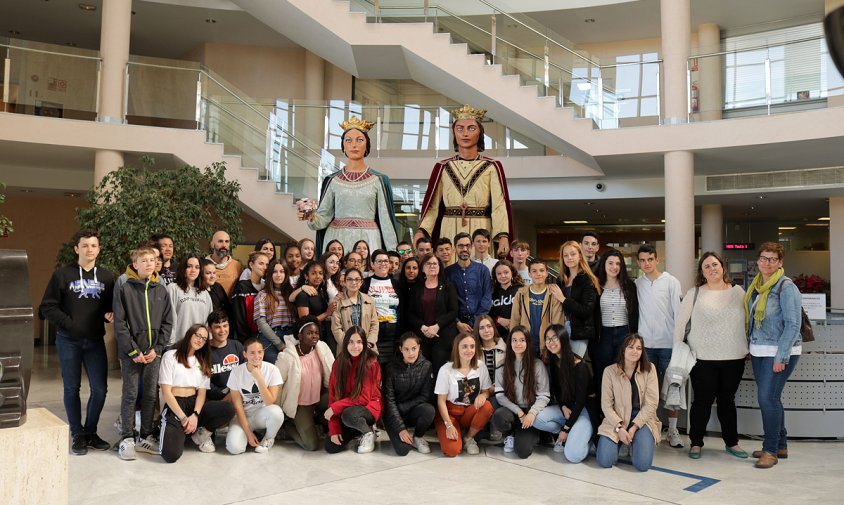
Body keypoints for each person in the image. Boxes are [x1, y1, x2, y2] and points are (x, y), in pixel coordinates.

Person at [39, 228, 115, 455]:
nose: (89, 249)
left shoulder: (107, 277)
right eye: (85, 245)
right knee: (72, 388)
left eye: (93, 245)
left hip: (94, 340)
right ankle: (77, 433)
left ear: (98, 249)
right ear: (76, 249)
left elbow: (108, 306)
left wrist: (108, 313)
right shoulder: (62, 275)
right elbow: (48, 306)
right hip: (68, 340)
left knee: (100, 389)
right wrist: (70, 323)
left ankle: (90, 431)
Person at [673, 251, 749, 460]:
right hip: (703, 359)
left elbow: (747, 322)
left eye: (715, 264)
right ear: (701, 272)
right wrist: (677, 351)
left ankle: (732, 443)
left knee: (727, 401)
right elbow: (680, 325)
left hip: (734, 358)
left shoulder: (738, 292)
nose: (712, 268)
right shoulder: (694, 293)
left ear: (723, 266)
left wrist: (748, 346)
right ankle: (696, 443)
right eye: (707, 266)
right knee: (702, 402)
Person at [416, 104, 514, 258]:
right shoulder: (443, 167)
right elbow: (433, 206)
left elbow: (499, 206)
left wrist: (503, 236)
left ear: (480, 133)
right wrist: (422, 231)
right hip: (449, 227)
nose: (465, 134)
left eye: (471, 128)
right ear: (454, 133)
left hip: (481, 228)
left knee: (480, 271)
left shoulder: (491, 166)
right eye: (460, 129)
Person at [301, 116, 398, 254]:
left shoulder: (379, 180)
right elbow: (323, 218)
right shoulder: (332, 180)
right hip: (337, 240)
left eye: (359, 140)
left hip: (368, 240)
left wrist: (393, 252)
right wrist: (311, 215)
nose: (354, 145)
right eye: (348, 140)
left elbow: (386, 220)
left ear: (367, 145)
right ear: (343, 146)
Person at [745, 242, 802, 469]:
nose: (767, 263)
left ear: (780, 263)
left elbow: (793, 324)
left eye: (772, 259)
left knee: (767, 399)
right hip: (759, 350)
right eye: (763, 258)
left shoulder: (786, 287)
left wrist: (781, 356)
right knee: (772, 398)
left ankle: (770, 451)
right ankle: (780, 445)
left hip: (779, 351)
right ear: (758, 261)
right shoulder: (757, 285)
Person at [114, 246, 173, 461]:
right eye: (144, 260)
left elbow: (168, 321)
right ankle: (127, 436)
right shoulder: (125, 288)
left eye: (152, 259)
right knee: (130, 394)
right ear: (135, 264)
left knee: (149, 394)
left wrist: (156, 349)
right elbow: (120, 324)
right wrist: (133, 350)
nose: (149, 263)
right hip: (131, 353)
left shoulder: (161, 289)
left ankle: (146, 434)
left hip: (153, 353)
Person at [158, 324, 235, 462]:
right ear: (190, 334)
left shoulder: (202, 361)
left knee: (227, 408)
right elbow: (166, 392)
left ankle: (199, 434)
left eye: (204, 339)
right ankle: (176, 432)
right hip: (176, 405)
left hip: (194, 404)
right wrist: (183, 418)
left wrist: (195, 415)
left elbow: (201, 393)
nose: (200, 340)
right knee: (170, 455)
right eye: (197, 335)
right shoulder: (170, 356)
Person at [635, 244, 683, 448]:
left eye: (650, 259)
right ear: (638, 262)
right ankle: (652, 429)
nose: (646, 263)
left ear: (657, 259)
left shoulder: (671, 282)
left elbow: (679, 314)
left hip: (668, 345)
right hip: (645, 346)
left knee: (672, 389)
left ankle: (672, 430)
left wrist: (678, 342)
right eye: (642, 260)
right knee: (646, 390)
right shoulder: (637, 284)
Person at [596, 333, 661, 472]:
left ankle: (635, 440)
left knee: (642, 465)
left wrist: (633, 427)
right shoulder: (609, 371)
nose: (635, 351)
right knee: (604, 461)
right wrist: (619, 429)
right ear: (623, 349)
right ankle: (624, 441)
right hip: (617, 421)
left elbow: (651, 404)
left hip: (641, 421)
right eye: (631, 347)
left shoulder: (650, 369)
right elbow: (606, 406)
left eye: (639, 348)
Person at [277, 316, 336, 451]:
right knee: (311, 446)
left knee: (337, 397)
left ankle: (318, 421)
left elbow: (333, 372)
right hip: (301, 404)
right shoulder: (287, 356)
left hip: (319, 397)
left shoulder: (322, 348)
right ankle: (288, 426)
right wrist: (278, 410)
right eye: (309, 333)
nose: (314, 336)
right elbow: (278, 384)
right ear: (300, 336)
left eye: (316, 333)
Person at [492, 326, 550, 459]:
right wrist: (519, 412)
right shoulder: (502, 365)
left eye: (522, 340)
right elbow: (500, 396)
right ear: (510, 342)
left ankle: (536, 434)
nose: (518, 344)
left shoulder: (537, 365)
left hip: (530, 412)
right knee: (499, 416)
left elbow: (544, 396)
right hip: (513, 410)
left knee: (523, 452)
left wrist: (532, 413)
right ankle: (510, 434)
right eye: (514, 340)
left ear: (528, 342)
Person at [539, 324, 595, 463]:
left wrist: (566, 428)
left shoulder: (579, 366)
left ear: (563, 339)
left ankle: (588, 440)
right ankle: (570, 433)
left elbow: (581, 402)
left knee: (573, 456)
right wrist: (563, 406)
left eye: (554, 338)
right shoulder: (554, 360)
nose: (551, 342)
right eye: (548, 339)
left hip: (584, 411)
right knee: (537, 418)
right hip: (568, 410)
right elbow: (558, 390)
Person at [434, 332, 494, 456]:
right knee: (452, 451)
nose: (469, 350)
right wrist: (448, 425)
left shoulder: (480, 366)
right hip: (450, 413)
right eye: (464, 346)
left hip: (469, 412)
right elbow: (441, 401)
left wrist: (483, 395)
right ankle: (453, 432)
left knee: (487, 406)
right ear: (457, 348)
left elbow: (486, 391)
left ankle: (468, 438)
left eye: (472, 346)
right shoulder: (446, 369)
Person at [324, 326, 383, 454]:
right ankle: (357, 430)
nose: (355, 346)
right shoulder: (339, 362)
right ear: (345, 343)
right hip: (347, 407)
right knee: (331, 446)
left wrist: (335, 408)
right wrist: (334, 429)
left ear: (364, 343)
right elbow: (333, 396)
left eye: (359, 342)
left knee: (349, 415)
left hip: (369, 407)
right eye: (351, 342)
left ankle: (368, 432)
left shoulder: (371, 363)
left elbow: (364, 398)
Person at [225, 338, 285, 454]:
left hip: (261, 415)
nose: (257, 356)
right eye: (252, 353)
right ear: (245, 354)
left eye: (260, 352)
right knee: (235, 449)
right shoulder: (236, 373)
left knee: (276, 412)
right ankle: (249, 435)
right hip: (243, 416)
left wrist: (259, 378)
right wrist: (248, 432)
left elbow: (269, 402)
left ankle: (268, 438)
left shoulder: (272, 370)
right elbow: (238, 406)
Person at [383, 332, 436, 456]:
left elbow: (425, 396)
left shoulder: (427, 366)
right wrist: (400, 428)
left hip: (411, 411)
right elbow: (388, 401)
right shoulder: (390, 368)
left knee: (429, 410)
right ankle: (401, 431)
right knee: (403, 450)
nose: (411, 353)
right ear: (401, 349)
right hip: (393, 414)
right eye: (406, 349)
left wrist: (403, 407)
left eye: (414, 348)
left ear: (419, 348)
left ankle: (418, 437)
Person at [595, 249, 639, 394]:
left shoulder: (629, 286)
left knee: (624, 373)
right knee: (603, 373)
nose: (614, 267)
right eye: (611, 263)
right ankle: (604, 412)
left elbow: (635, 313)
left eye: (618, 264)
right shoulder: (596, 286)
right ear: (604, 265)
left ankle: (623, 411)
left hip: (624, 334)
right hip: (603, 335)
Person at [407, 254, 459, 374]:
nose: (432, 266)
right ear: (422, 268)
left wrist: (437, 326)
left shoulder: (448, 286)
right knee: (423, 374)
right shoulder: (417, 288)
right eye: (428, 264)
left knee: (440, 373)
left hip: (443, 337)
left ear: (440, 267)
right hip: (422, 337)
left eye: (435, 263)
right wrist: (423, 327)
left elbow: (453, 311)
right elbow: (410, 313)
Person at [554, 241, 600, 359]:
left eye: (573, 254)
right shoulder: (561, 280)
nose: (569, 258)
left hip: (579, 330)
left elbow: (586, 311)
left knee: (573, 366)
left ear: (580, 256)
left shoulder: (587, 280)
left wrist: (563, 299)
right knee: (561, 367)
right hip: (560, 327)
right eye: (566, 255)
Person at [510, 259, 564, 355]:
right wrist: (515, 343)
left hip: (547, 345)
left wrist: (552, 345)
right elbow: (515, 320)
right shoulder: (521, 293)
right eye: (534, 271)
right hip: (526, 344)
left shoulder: (553, 293)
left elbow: (557, 323)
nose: (538, 274)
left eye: (542, 270)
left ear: (547, 273)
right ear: (529, 274)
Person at [445, 232, 493, 335]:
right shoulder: (447, 272)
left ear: (472, 247)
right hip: (455, 327)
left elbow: (487, 299)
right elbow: (445, 301)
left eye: (467, 245)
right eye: (460, 246)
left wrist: (474, 322)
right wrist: (457, 323)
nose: (464, 249)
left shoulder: (482, 270)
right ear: (455, 248)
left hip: (480, 325)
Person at [362, 249, 400, 365]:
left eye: (386, 261)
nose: (383, 263)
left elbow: (402, 309)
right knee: (374, 368)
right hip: (373, 333)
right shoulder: (365, 283)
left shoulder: (396, 283)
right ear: (372, 264)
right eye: (379, 261)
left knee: (391, 369)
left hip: (393, 334)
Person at [253, 259, 295, 364]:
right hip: (269, 337)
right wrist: (279, 344)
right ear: (270, 274)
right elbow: (261, 324)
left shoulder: (292, 293)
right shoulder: (262, 295)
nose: (278, 275)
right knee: (276, 368)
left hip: (289, 336)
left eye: (282, 271)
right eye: (275, 272)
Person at [167, 254, 213, 346]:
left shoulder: (204, 293)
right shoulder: (173, 288)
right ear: (183, 268)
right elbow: (170, 318)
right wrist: (171, 343)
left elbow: (209, 321)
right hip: (178, 344)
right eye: (189, 266)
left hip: (199, 345)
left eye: (197, 267)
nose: (193, 270)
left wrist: (207, 340)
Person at [332, 268, 379, 356]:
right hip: (346, 350)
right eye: (350, 279)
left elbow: (374, 324)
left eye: (357, 279)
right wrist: (349, 345)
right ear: (344, 282)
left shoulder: (369, 300)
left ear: (361, 282)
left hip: (367, 348)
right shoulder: (338, 302)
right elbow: (336, 328)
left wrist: (369, 342)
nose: (354, 283)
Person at [295, 261, 336, 352]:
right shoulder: (303, 295)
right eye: (313, 273)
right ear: (306, 276)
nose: (318, 276)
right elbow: (305, 323)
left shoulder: (321, 292)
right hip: (310, 339)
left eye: (320, 273)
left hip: (323, 335)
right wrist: (327, 313)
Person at [232, 251, 270, 342]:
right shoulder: (242, 287)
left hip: (265, 337)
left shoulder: (267, 287)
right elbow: (239, 318)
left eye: (267, 264)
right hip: (246, 339)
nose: (265, 267)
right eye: (261, 263)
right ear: (251, 265)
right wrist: (247, 341)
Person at [207, 310, 242, 401]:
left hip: (238, 393)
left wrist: (234, 393)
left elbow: (245, 372)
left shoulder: (237, 346)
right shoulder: (203, 351)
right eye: (217, 327)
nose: (222, 331)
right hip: (215, 399)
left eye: (225, 326)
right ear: (210, 329)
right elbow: (204, 381)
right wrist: (224, 398)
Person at [490, 259, 522, 338]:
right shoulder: (491, 292)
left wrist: (513, 322)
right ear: (495, 276)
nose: (503, 276)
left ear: (512, 272)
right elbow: (487, 314)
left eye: (506, 272)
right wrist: (499, 320)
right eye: (499, 274)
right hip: (498, 336)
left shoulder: (521, 290)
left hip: (519, 332)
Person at [206, 230, 242, 297]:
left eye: (227, 241)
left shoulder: (237, 265)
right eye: (220, 241)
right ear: (212, 244)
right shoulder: (202, 265)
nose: (224, 245)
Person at [397, 256, 420, 332]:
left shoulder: (423, 287)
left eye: (414, 268)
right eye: (408, 268)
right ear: (403, 269)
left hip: (419, 328)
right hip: (400, 328)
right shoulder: (397, 286)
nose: (411, 271)